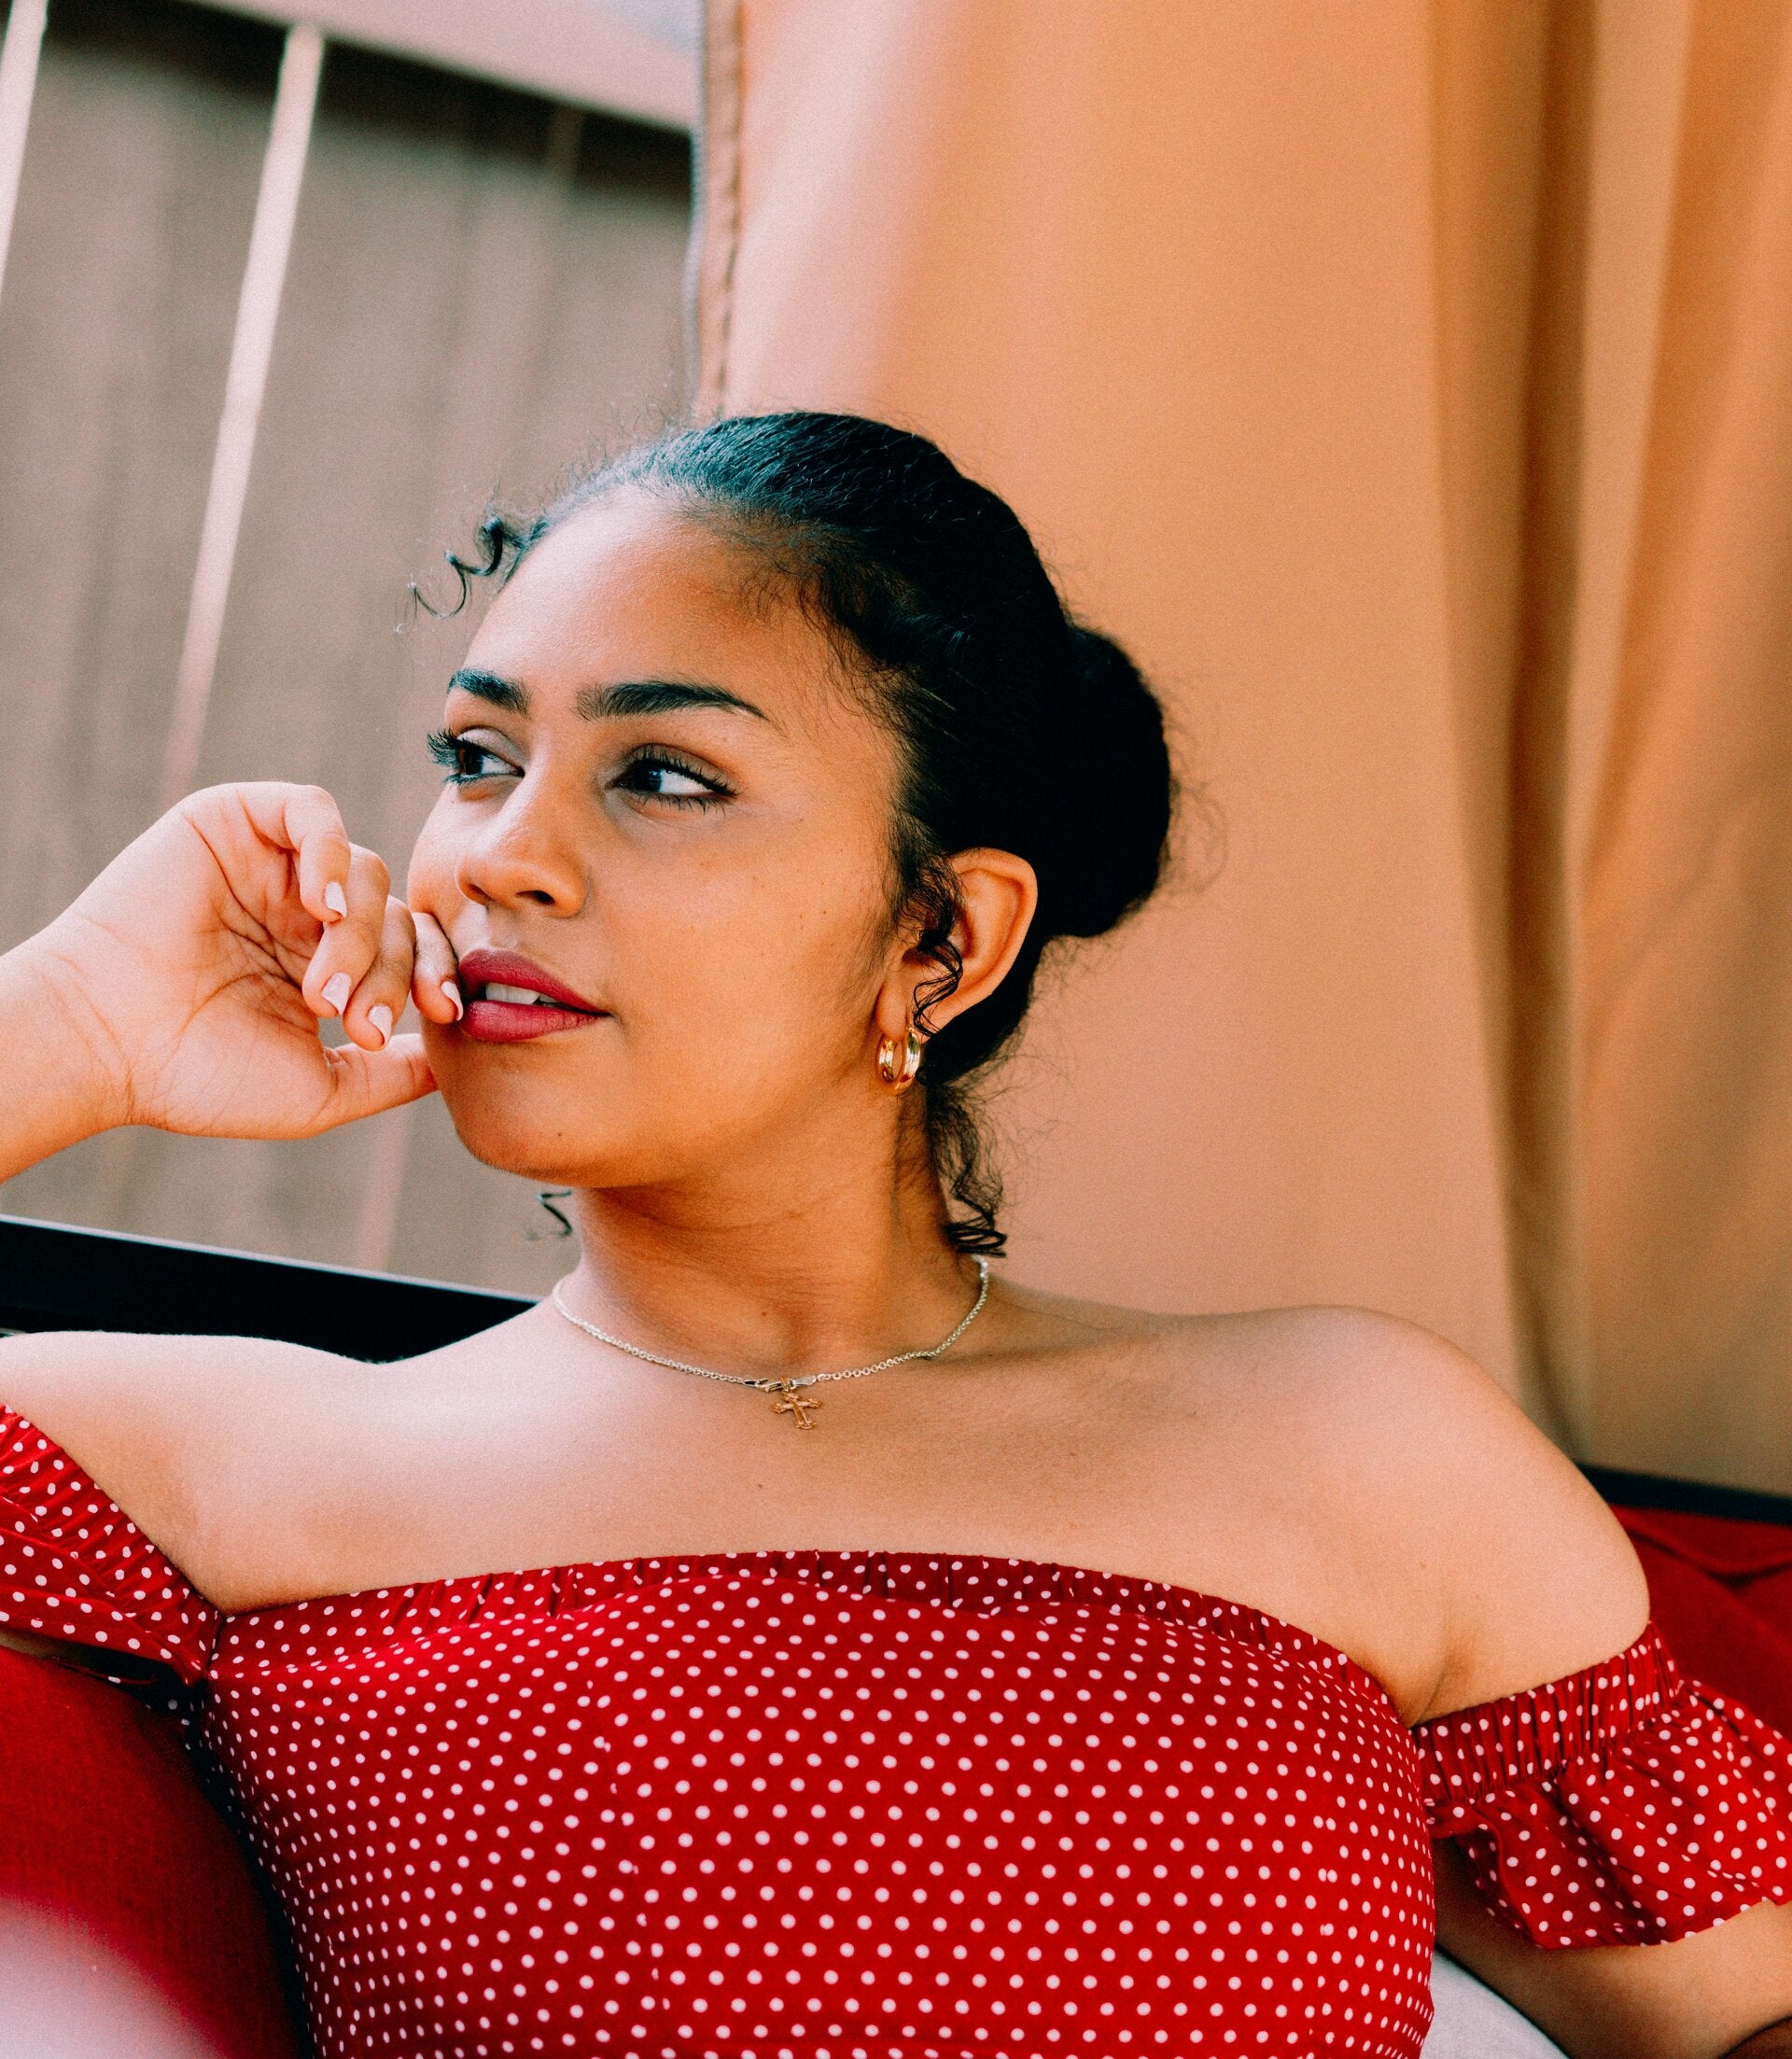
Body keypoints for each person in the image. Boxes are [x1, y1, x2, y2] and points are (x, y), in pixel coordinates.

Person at [0, 412, 1788, 2059]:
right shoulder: (212, 1464)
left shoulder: (1364, 1449)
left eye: (664, 775)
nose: (494, 859)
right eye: (477, 756)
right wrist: (71, 1024)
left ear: (945, 937)